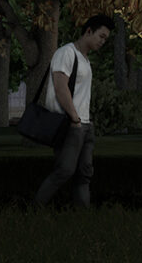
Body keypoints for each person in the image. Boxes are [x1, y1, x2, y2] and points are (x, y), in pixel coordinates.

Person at [32, 14, 114, 208]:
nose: (103, 41)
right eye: (101, 36)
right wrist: (75, 120)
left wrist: (85, 122)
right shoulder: (66, 53)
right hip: (70, 124)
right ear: (88, 31)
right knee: (65, 170)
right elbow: (61, 87)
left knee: (84, 173)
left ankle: (82, 215)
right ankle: (34, 209)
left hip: (84, 124)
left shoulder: (85, 60)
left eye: (105, 39)